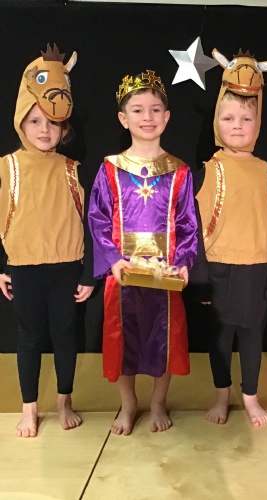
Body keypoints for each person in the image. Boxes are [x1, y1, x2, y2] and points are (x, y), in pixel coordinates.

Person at [88, 71, 197, 435]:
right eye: (137, 110)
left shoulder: (179, 171)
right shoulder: (110, 168)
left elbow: (188, 222)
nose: (147, 117)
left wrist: (183, 261)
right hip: (123, 271)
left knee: (164, 338)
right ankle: (128, 402)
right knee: (124, 339)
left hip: (165, 273)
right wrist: (113, 259)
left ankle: (158, 401)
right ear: (124, 118)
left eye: (155, 109)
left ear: (167, 116)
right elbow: (98, 218)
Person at [192, 49, 267, 427]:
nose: (237, 126)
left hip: (256, 269)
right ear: (216, 121)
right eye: (229, 118)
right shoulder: (207, 172)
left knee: (251, 336)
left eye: (246, 118)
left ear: (258, 121)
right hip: (218, 268)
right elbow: (193, 228)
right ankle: (222, 394)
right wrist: (199, 277)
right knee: (219, 337)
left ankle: (250, 396)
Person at [0, 44, 94, 438]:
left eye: (52, 123)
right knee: (29, 338)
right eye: (35, 120)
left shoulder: (72, 169)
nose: (44, 129)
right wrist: (3, 267)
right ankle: (29, 409)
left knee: (66, 335)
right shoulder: (7, 167)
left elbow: (89, 223)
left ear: (64, 127)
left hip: (66, 267)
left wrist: (88, 274)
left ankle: (64, 401)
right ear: (21, 121)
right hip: (25, 267)